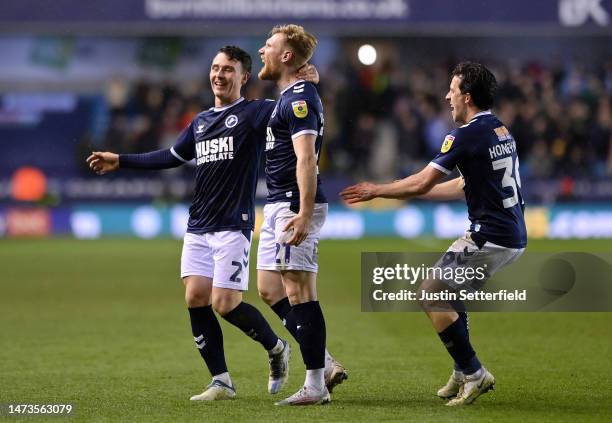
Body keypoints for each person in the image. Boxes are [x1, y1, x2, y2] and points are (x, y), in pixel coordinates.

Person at [87, 46, 317, 402]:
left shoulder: (256, 112)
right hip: (198, 225)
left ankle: (276, 348)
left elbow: (294, 112)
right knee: (195, 297)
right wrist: (121, 160)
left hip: (233, 224)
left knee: (225, 304)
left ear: (244, 77)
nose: (219, 75)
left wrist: (307, 82)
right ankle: (221, 381)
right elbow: (170, 157)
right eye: (215, 68)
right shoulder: (200, 122)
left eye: (228, 69)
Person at [341, 61, 527, 406]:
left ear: (467, 97)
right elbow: (460, 185)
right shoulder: (499, 129)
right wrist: (411, 190)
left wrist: (378, 190)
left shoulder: (465, 133)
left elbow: (426, 178)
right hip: (511, 234)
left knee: (430, 292)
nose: (447, 96)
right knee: (448, 293)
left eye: (452, 90)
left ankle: (474, 373)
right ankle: (462, 370)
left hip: (491, 236)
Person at [256, 24, 344, 406]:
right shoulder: (291, 93)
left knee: (300, 291)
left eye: (269, 46)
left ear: (287, 56)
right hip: (279, 201)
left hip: (294, 202)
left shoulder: (299, 99)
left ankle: (315, 385)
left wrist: (304, 213)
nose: (263, 51)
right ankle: (322, 363)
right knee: (269, 288)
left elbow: (307, 157)